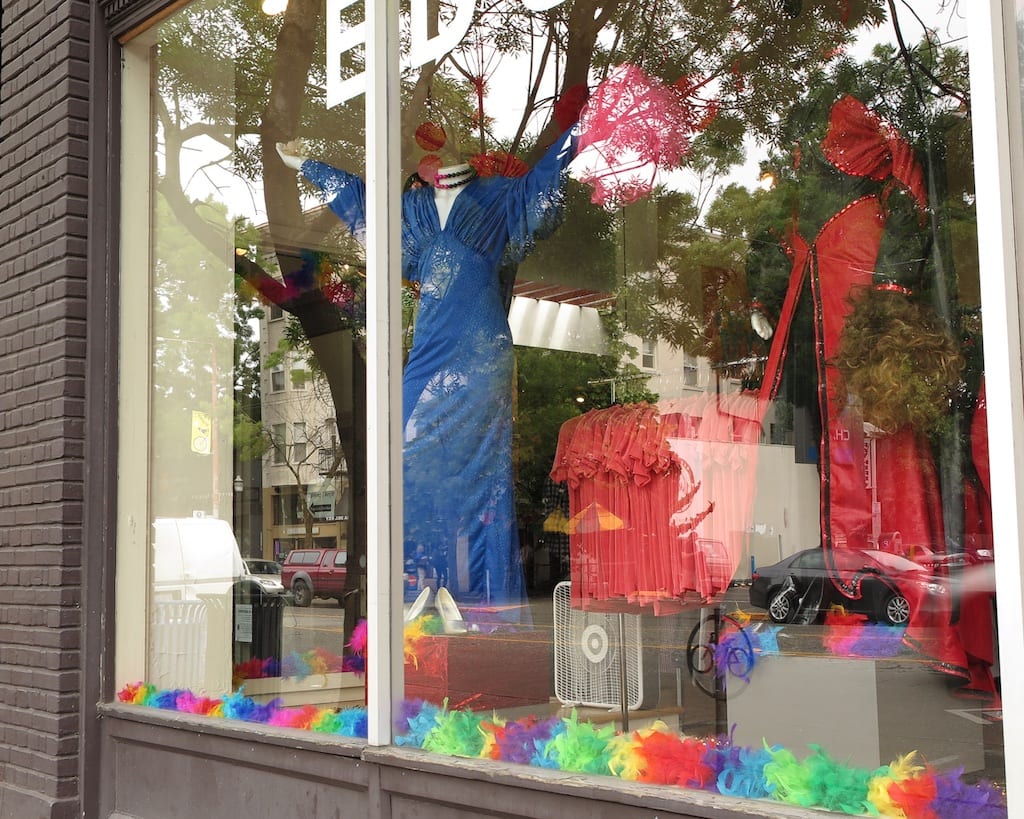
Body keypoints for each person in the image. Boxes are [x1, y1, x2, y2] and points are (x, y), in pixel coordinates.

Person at [277, 130, 578, 619]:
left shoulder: (497, 194)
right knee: (409, 457)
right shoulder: (409, 208)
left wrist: (575, 135)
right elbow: (361, 199)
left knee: (485, 478)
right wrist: (308, 162)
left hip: (483, 350)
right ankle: (427, 583)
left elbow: (542, 183)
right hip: (430, 347)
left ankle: (484, 602)